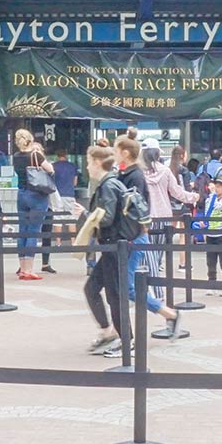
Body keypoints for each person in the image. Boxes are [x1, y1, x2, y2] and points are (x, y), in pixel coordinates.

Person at [114, 137, 181, 343]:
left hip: (141, 228)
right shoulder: (164, 172)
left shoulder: (136, 175)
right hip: (162, 220)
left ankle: (165, 312)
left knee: (140, 274)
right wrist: (194, 197)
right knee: (156, 263)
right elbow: (177, 193)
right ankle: (163, 306)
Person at [74, 145, 133, 357]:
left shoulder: (108, 186)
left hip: (114, 247)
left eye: (89, 162)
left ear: (98, 163)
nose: (87, 167)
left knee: (113, 295)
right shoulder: (111, 183)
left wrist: (86, 214)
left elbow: (106, 218)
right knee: (97, 290)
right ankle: (111, 332)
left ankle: (125, 339)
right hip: (113, 247)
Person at [11, 129, 49, 280]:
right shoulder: (36, 155)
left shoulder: (16, 156)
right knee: (34, 231)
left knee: (23, 230)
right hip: (36, 194)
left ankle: (22, 268)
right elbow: (51, 170)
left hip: (21, 194)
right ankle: (29, 269)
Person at [196, 174, 222, 293]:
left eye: (220, 187)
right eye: (215, 186)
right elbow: (208, 212)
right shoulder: (208, 199)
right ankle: (212, 285)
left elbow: (216, 207)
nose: (217, 188)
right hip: (211, 236)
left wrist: (212, 194)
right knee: (210, 263)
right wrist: (203, 224)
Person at [46, 147, 80, 273]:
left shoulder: (53, 166)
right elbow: (75, 182)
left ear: (57, 155)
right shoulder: (72, 166)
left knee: (57, 218)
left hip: (57, 195)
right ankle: (73, 242)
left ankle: (58, 242)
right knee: (71, 219)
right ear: (66, 155)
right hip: (69, 194)